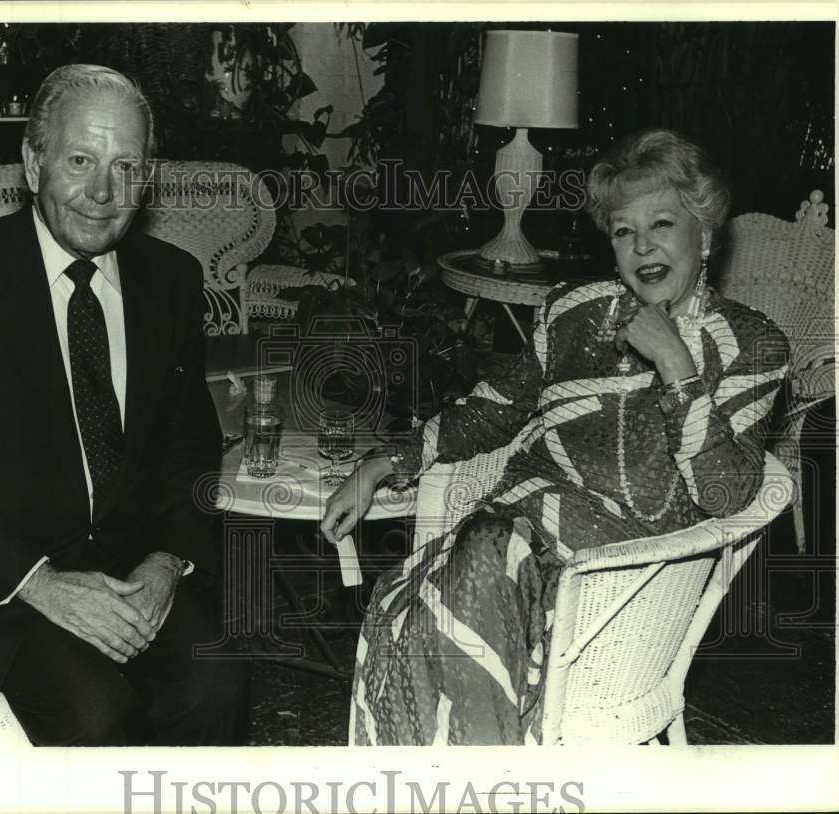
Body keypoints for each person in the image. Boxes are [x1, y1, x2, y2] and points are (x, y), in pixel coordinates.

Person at [321, 128, 790, 745]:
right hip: (508, 546)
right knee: (460, 567)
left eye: (663, 224)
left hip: (618, 583)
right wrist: (385, 462)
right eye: (624, 230)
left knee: (470, 567)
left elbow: (727, 495)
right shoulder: (574, 311)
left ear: (707, 235)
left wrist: (678, 367)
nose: (642, 247)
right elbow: (491, 412)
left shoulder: (750, 345)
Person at [0, 64, 248, 746]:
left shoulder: (171, 280)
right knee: (95, 714)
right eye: (80, 160)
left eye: (126, 166)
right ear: (32, 160)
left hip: (135, 573)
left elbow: (190, 444)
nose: (104, 192)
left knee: (218, 686)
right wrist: (41, 583)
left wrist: (166, 565)